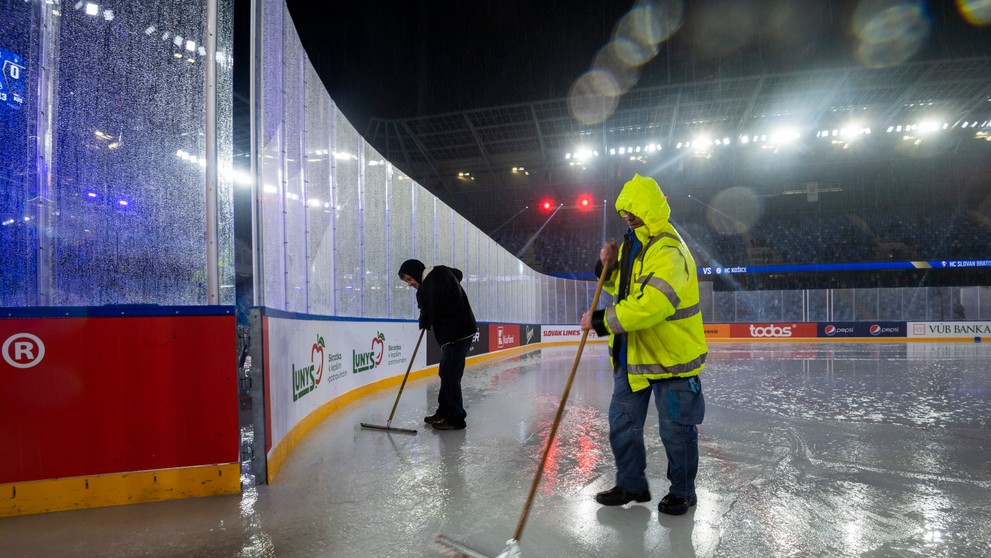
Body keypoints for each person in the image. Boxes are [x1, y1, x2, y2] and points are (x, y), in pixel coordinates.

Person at [580, 173, 708, 516]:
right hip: (633, 358)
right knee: (622, 425)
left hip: (672, 361)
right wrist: (605, 267)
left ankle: (682, 491)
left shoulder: (669, 250)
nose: (627, 216)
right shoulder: (636, 248)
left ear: (651, 207)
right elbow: (624, 289)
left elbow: (653, 303)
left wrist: (602, 321)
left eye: (633, 210)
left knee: (676, 432)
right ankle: (631, 484)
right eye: (623, 212)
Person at [398, 258, 478, 431]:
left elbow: (432, 304)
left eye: (410, 279)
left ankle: (456, 419)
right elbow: (457, 274)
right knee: (446, 372)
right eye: (407, 282)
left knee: (450, 375)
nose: (410, 284)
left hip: (458, 334)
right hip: (457, 332)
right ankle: (443, 411)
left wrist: (425, 318)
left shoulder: (434, 281)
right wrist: (426, 317)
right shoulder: (439, 273)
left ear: (417, 272)